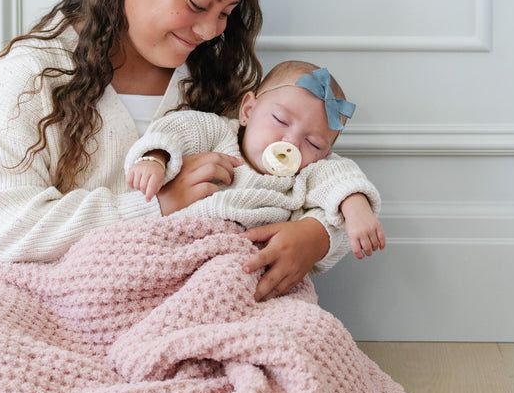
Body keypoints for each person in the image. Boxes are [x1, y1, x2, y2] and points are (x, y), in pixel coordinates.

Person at [0, 0, 368, 301]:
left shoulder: (220, 82)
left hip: (199, 297)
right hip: (68, 298)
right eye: (196, 4)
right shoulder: (35, 74)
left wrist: (318, 236)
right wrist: (158, 204)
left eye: (226, 12)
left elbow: (303, 180)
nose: (210, 29)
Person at [125, 60, 385, 270]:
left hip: (246, 267)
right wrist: (155, 158)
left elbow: (339, 176)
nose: (291, 142)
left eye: (314, 143)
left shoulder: (305, 175)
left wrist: (356, 206)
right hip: (181, 247)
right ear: (248, 110)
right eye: (280, 120)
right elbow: (175, 130)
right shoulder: (219, 134)